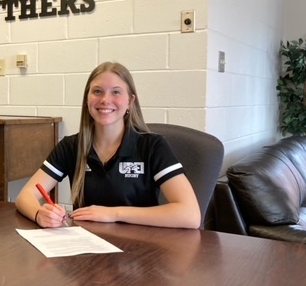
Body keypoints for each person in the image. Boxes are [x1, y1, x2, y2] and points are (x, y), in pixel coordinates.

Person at [15, 61, 200, 229]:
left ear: (130, 101)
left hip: (140, 253)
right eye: (97, 91)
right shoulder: (71, 146)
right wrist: (40, 214)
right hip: (87, 251)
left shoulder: (152, 146)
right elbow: (26, 195)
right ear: (87, 99)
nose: (105, 100)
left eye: (116, 92)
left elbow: (190, 215)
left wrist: (112, 213)